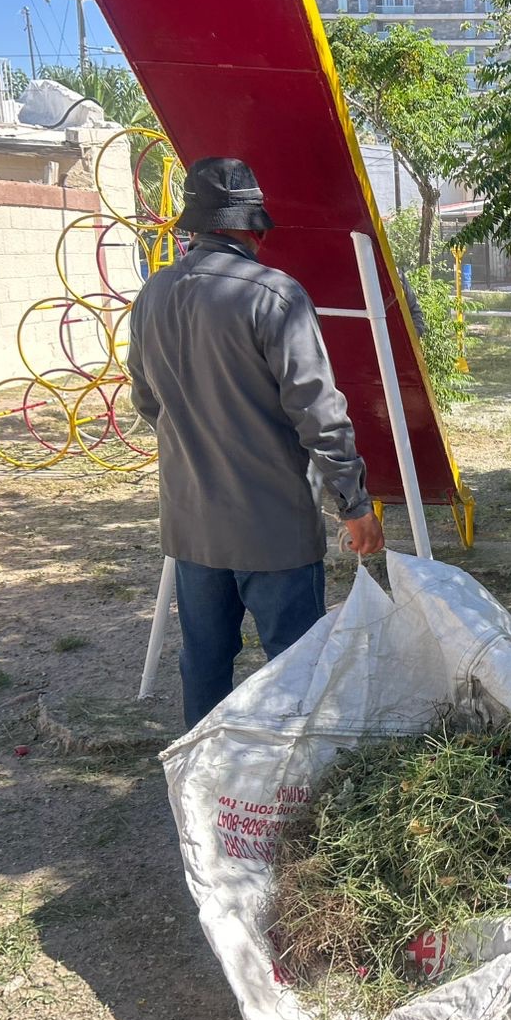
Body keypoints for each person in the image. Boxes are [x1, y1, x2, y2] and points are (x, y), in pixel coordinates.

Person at [128, 157, 385, 729]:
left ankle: (207, 775)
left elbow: (147, 402)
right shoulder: (275, 296)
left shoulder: (152, 294)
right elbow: (318, 411)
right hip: (273, 528)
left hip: (192, 524)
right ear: (252, 228)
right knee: (296, 667)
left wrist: (198, 442)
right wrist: (354, 503)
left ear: (196, 225)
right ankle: (295, 776)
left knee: (204, 662)